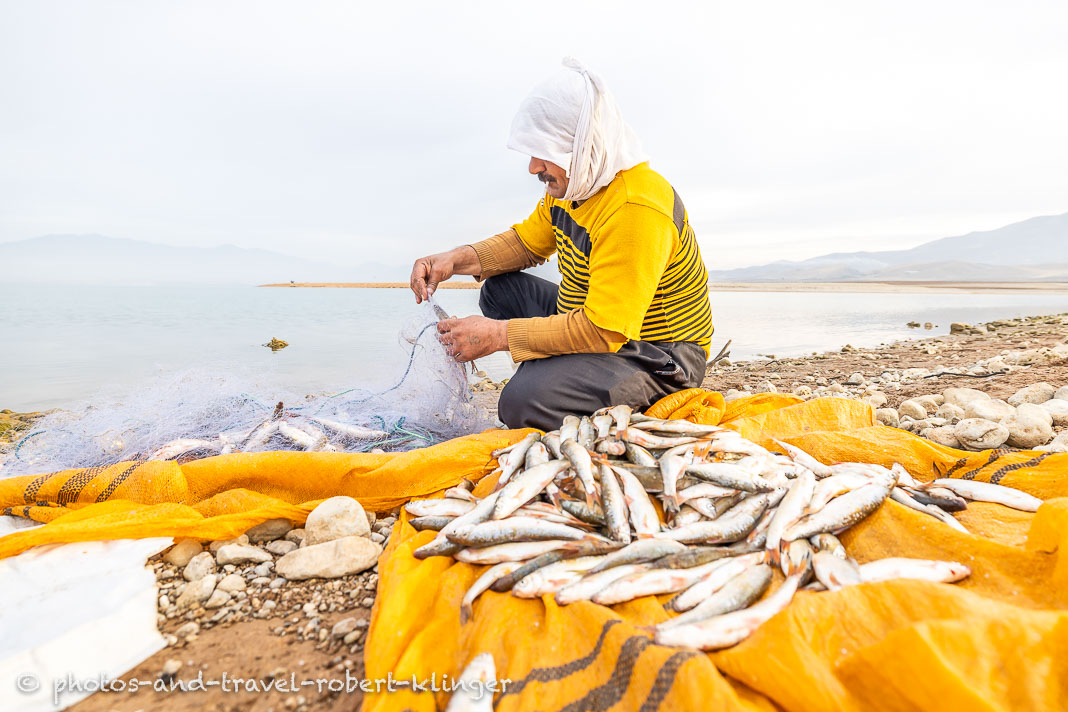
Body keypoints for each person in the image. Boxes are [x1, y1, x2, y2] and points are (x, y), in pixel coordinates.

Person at [409, 58, 713, 430]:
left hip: (657, 356)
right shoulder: (574, 186)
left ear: (583, 144)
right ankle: (564, 375)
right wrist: (453, 260)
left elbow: (606, 330)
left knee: (521, 403)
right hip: (594, 319)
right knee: (501, 289)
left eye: (545, 152)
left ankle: (563, 385)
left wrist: (498, 336)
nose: (533, 167)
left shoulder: (636, 207)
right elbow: (524, 243)